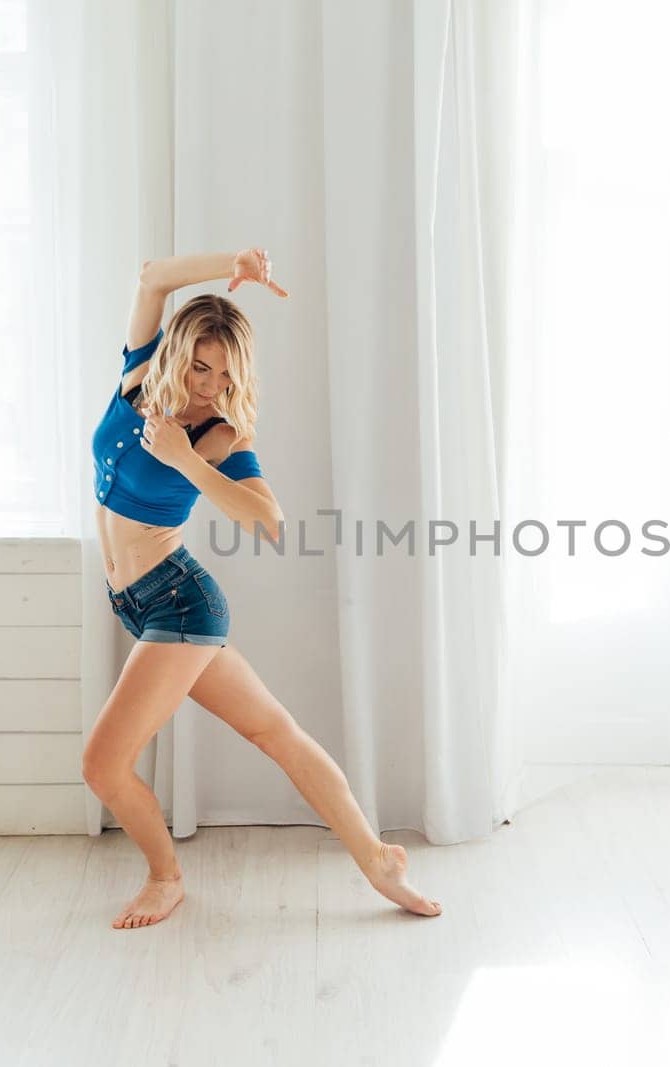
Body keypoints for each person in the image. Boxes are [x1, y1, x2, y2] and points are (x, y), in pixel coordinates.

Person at [81, 248, 442, 929]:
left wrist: (187, 463)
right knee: (277, 731)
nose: (211, 383)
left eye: (225, 372)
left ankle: (166, 877)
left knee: (103, 765)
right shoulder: (135, 378)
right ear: (178, 351)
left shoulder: (217, 435)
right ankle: (378, 858)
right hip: (140, 604)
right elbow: (153, 277)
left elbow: (267, 520)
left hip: (178, 603)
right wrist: (233, 261)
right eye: (200, 365)